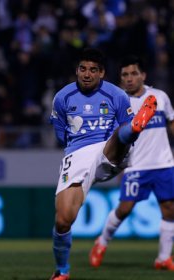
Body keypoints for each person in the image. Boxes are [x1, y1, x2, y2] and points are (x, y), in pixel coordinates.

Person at [49, 48, 157, 280]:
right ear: (77, 70)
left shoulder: (116, 95)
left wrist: (129, 131)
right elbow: (60, 135)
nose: (87, 74)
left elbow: (124, 122)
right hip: (77, 154)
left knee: (123, 132)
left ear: (102, 73)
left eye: (93, 70)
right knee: (63, 220)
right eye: (83, 69)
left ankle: (136, 129)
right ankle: (62, 271)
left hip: (109, 147)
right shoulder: (62, 97)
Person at [89, 55, 174, 270]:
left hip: (164, 164)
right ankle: (102, 242)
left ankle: (163, 258)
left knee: (170, 208)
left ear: (143, 75)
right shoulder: (119, 103)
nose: (129, 78)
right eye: (124, 75)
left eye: (133, 73)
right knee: (125, 208)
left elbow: (171, 122)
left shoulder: (160, 97)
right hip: (136, 165)